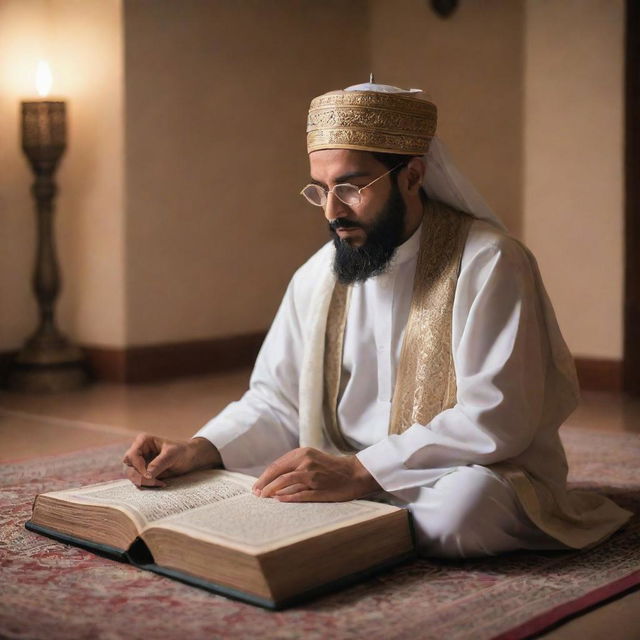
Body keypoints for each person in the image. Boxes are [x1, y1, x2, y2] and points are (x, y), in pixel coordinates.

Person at [123, 80, 631, 558]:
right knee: (253, 481)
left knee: (465, 510)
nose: (331, 212)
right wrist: (200, 446)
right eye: (319, 190)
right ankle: (367, 523)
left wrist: (362, 471)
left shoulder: (489, 262)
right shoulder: (317, 275)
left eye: (350, 187)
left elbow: (496, 417)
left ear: (412, 175)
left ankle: (359, 519)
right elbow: (276, 398)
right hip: (342, 469)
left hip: (455, 469)